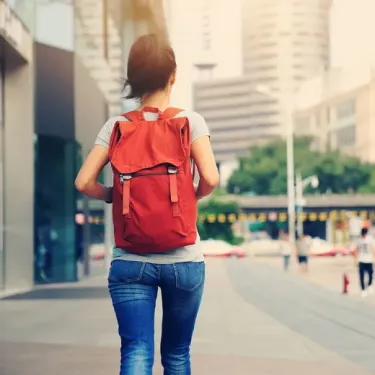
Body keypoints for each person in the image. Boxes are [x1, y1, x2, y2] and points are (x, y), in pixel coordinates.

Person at [75, 34, 219, 375]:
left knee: (136, 351)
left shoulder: (116, 127)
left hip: (130, 262)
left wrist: (114, 194)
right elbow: (210, 179)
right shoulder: (190, 121)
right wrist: (189, 196)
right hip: (184, 260)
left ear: (133, 79)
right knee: (177, 354)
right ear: (173, 75)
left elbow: (83, 182)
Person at [354, 227, 374, 298]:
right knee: (361, 276)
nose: (364, 236)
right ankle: (363, 290)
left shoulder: (370, 239)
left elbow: (373, 249)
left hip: (369, 260)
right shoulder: (359, 240)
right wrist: (355, 260)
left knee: (371, 274)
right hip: (361, 260)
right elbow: (356, 250)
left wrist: (373, 258)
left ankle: (369, 285)